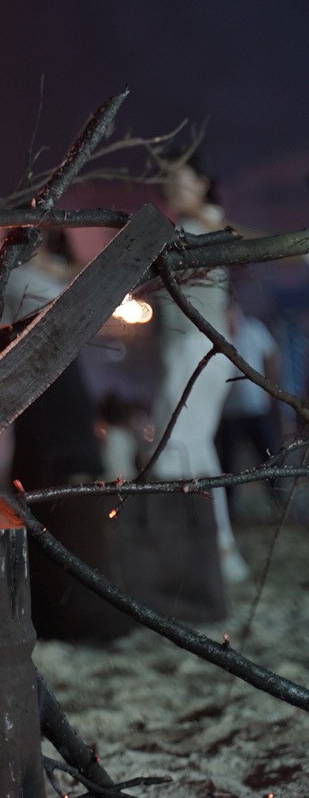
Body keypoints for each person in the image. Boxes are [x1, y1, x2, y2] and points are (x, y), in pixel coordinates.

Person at [150, 153, 249, 584]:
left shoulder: (201, 223)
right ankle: (217, 551)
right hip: (200, 345)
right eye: (167, 178)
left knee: (174, 443)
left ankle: (186, 553)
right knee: (196, 446)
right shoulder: (195, 226)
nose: (171, 186)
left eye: (181, 178)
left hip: (194, 346)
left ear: (203, 182)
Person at [5, 230, 104, 493]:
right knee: (40, 437)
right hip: (35, 367)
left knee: (66, 428)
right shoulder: (15, 274)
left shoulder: (58, 269)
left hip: (62, 365)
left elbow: (93, 273)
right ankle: (38, 499)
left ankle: (67, 496)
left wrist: (54, 267)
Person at [217, 298, 281, 513]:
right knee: (228, 462)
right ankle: (229, 507)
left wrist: (270, 389)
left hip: (257, 410)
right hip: (229, 413)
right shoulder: (219, 334)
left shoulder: (254, 329)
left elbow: (272, 355)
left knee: (268, 455)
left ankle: (279, 500)